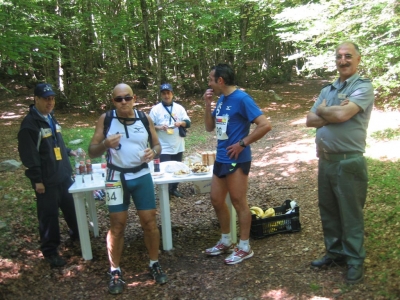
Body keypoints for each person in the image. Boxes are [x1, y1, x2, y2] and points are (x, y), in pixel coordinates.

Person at [88, 83, 167, 295]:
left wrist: (154, 152)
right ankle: (115, 270)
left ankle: (154, 263)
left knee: (149, 222)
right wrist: (105, 144)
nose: (123, 102)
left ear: (134, 98)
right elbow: (92, 151)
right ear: (113, 101)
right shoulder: (106, 119)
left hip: (141, 175)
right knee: (117, 225)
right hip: (116, 177)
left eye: (127, 97)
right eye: (118, 99)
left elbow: (158, 145)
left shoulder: (144, 118)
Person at [306, 41, 374, 284]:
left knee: (350, 214)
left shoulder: (363, 87)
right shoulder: (329, 88)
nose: (342, 60)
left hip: (349, 162)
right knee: (329, 211)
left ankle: (355, 259)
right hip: (326, 161)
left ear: (358, 59)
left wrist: (325, 111)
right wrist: (330, 112)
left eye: (348, 56)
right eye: (339, 56)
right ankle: (335, 253)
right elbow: (309, 119)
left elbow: (343, 114)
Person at [203, 64, 272, 265]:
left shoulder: (242, 99)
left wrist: (243, 143)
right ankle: (225, 240)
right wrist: (208, 104)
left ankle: (244, 247)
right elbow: (209, 128)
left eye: (210, 79)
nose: (209, 82)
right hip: (222, 157)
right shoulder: (222, 99)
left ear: (220, 81)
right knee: (216, 199)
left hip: (237, 159)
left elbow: (265, 124)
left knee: (238, 201)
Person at [17, 83, 79, 268]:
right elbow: (29, 155)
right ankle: (50, 251)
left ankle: (77, 235)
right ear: (36, 99)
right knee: (49, 216)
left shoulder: (50, 117)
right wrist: (37, 180)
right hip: (46, 181)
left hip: (63, 175)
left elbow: (55, 142)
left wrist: (68, 151)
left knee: (71, 208)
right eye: (46, 99)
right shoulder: (29, 125)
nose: (50, 102)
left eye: (52, 98)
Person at [149, 83, 191, 198]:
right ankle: (164, 191)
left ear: (172, 94)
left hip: (178, 143)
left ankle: (174, 189)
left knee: (177, 166)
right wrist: (159, 127)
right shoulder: (155, 110)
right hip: (163, 145)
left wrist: (181, 123)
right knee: (164, 168)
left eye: (168, 93)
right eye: (164, 93)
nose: (166, 96)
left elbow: (188, 123)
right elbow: (149, 125)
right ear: (161, 95)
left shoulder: (179, 108)